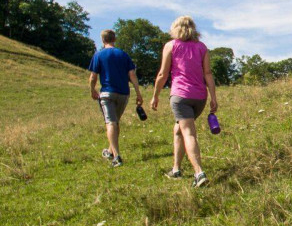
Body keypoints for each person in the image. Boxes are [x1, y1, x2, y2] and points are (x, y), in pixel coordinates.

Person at [150, 15, 218, 187]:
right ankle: (176, 169)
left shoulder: (171, 46)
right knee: (179, 129)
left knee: (188, 132)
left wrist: (155, 95)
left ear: (175, 28)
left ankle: (199, 173)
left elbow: (162, 74)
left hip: (181, 96)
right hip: (200, 97)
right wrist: (213, 97)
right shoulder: (202, 47)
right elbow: (208, 74)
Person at [88, 29, 143, 168]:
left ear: (102, 40)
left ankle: (117, 156)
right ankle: (110, 151)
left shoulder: (99, 55)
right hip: (123, 93)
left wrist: (92, 90)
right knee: (115, 122)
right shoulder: (123, 55)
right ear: (115, 39)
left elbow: (93, 76)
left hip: (107, 93)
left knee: (111, 123)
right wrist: (138, 93)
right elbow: (132, 75)